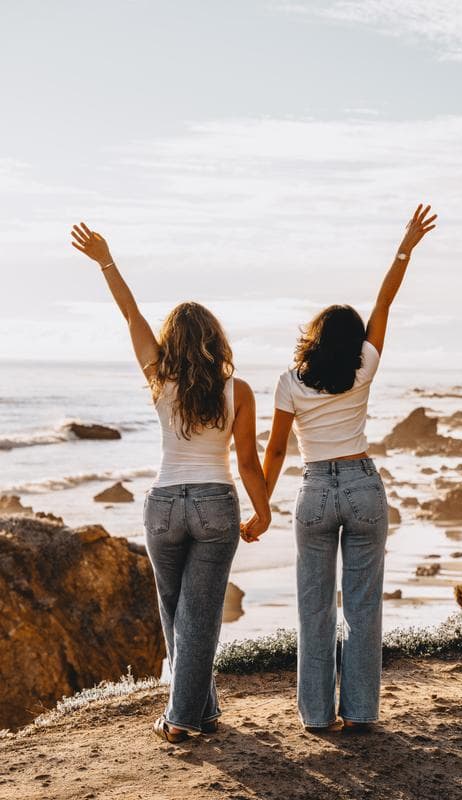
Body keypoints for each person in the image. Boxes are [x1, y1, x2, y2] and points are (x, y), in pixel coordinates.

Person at [70, 222, 271, 743]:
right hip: (214, 503)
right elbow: (248, 461)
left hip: (162, 505)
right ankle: (189, 716)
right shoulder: (239, 390)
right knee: (199, 615)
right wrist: (264, 510)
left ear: (172, 343)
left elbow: (131, 314)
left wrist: (106, 262)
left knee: (178, 612)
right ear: (215, 339)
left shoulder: (159, 379)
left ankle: (193, 712)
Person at [242, 204, 437, 731]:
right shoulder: (364, 367)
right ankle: (362, 711)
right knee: (364, 606)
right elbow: (385, 301)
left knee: (315, 611)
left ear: (314, 337)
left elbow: (277, 451)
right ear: (353, 343)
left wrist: (261, 508)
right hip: (363, 485)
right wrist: (406, 248)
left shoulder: (289, 381)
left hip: (314, 493)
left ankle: (316, 716)